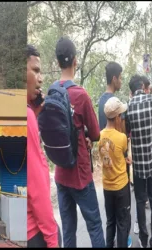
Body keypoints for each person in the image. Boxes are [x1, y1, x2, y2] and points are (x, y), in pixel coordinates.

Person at [54, 37, 105, 248]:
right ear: (75, 61)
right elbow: (95, 134)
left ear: (58, 63)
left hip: (60, 173)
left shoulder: (52, 91)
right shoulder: (81, 94)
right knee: (94, 226)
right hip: (80, 175)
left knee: (68, 230)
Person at [26, 44, 60, 248]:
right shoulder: (27, 115)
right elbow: (37, 186)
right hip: (36, 231)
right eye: (36, 70)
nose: (41, 78)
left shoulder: (28, 113)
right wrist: (52, 238)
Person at [97, 61, 132, 248]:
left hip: (106, 185)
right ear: (118, 117)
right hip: (120, 185)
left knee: (110, 222)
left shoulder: (100, 135)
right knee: (122, 222)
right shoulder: (122, 138)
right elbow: (124, 155)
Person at [125, 74, 152, 248]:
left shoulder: (128, 106)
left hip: (138, 166)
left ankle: (144, 239)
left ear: (131, 90)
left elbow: (128, 133)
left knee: (140, 202)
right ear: (142, 85)